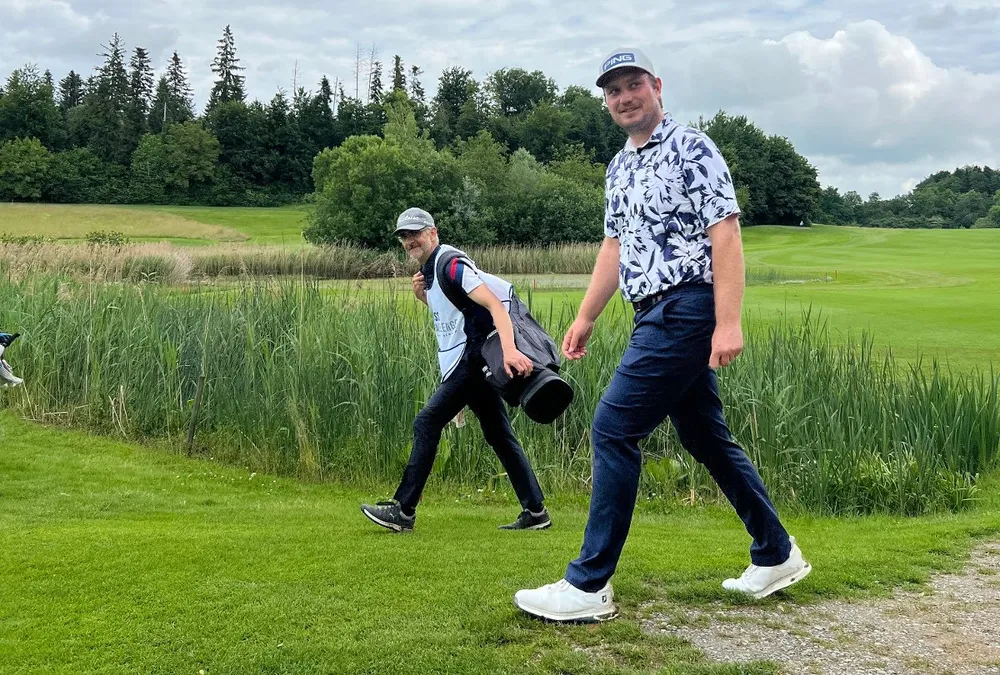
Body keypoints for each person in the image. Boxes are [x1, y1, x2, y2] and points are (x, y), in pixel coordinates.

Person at [514, 48, 811, 622]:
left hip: (688, 306)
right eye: (613, 91)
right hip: (651, 309)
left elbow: (723, 231)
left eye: (633, 85)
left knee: (613, 429)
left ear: (657, 86)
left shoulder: (692, 147)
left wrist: (728, 321)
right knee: (705, 437)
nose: (624, 97)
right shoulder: (618, 168)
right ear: (605, 102)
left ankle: (588, 585)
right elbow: (614, 247)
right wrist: (586, 315)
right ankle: (776, 553)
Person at [361, 208, 552, 533]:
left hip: (475, 360)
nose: (410, 241)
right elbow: (457, 315)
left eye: (415, 234)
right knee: (499, 435)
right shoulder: (433, 271)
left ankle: (403, 511)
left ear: (433, 232)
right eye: (405, 237)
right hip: (473, 361)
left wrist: (509, 351)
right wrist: (424, 296)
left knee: (427, 422)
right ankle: (535, 512)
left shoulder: (450, 264)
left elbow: (493, 305)